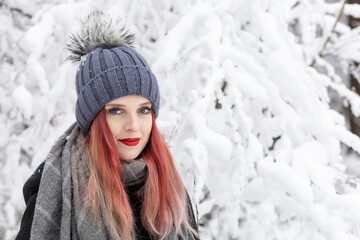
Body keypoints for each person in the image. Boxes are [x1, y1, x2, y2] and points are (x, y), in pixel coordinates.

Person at [15, 11, 199, 240]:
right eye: (116, 111)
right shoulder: (54, 190)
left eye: (143, 110)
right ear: (92, 118)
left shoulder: (171, 191)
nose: (133, 126)